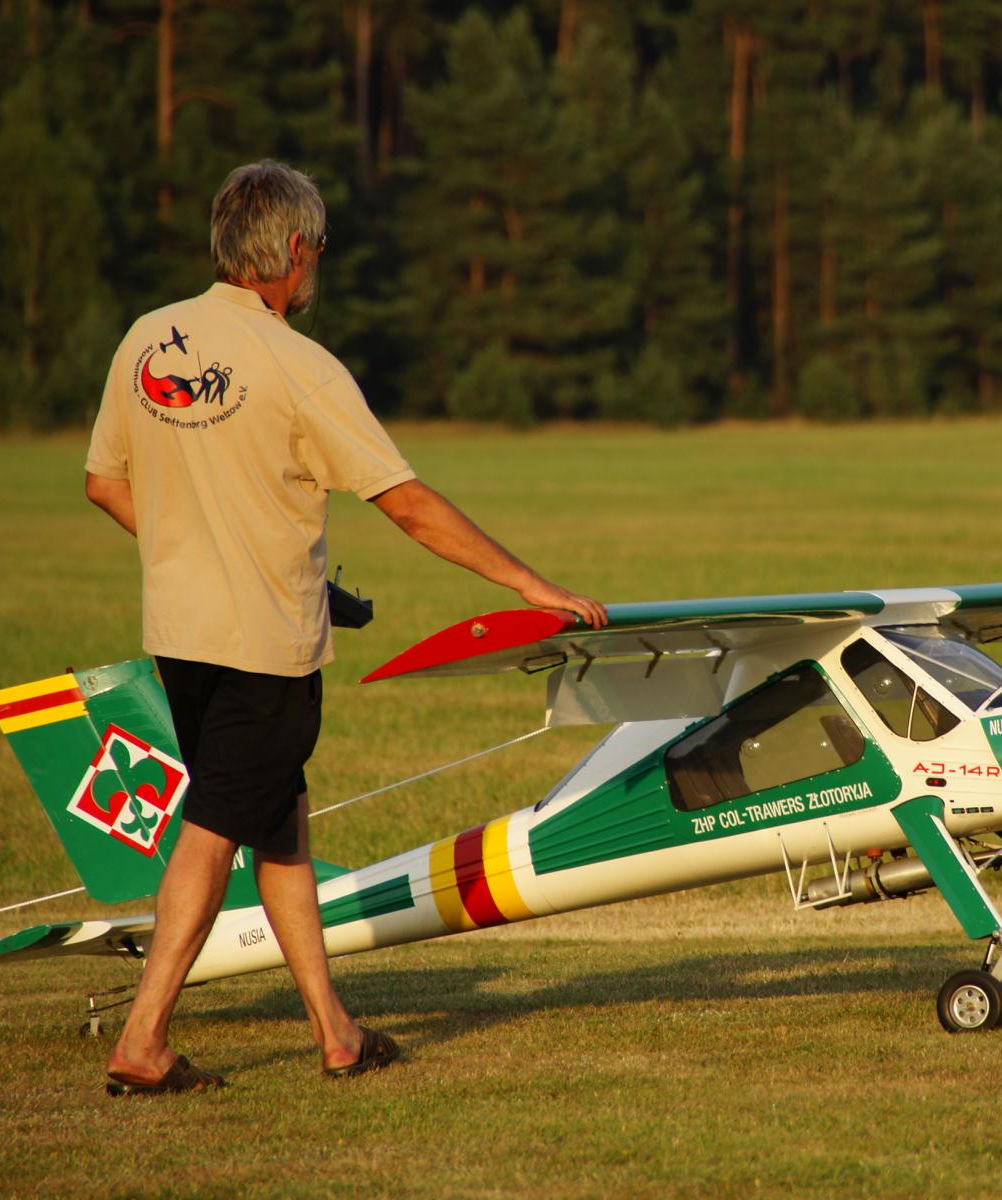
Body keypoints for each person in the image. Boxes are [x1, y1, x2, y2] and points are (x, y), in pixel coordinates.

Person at [85, 159, 606, 1096]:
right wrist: (532, 584)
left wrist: (202, 553)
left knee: (276, 816)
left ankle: (335, 1031)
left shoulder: (146, 337)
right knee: (217, 824)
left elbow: (105, 483)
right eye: (318, 248)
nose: (317, 264)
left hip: (181, 635)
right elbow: (407, 504)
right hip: (263, 645)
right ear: (294, 249)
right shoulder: (300, 364)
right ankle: (143, 1040)